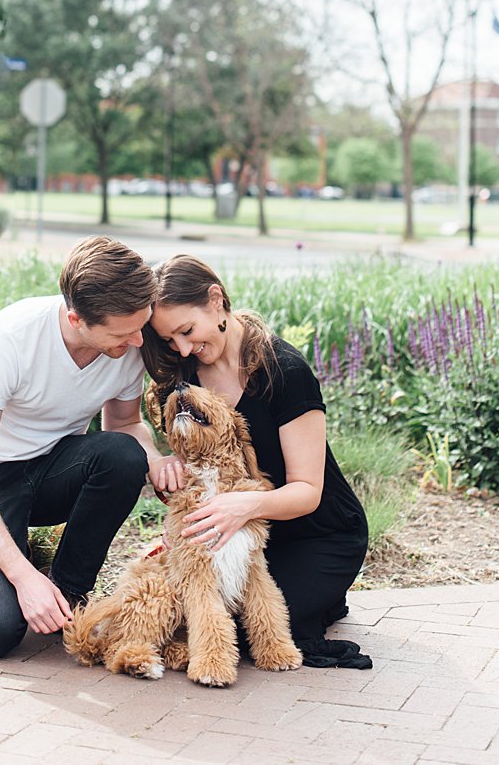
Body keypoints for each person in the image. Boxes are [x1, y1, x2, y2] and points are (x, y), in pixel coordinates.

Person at [0, 236, 185, 659]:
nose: (138, 342)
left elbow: (125, 424)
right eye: (123, 333)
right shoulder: (10, 338)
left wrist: (156, 458)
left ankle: (66, 592)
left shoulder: (127, 341)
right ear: (76, 319)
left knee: (125, 457)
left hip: (56, 468)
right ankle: (20, 573)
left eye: (139, 327)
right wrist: (22, 577)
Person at [141, 255, 373, 670]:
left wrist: (245, 505)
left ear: (216, 300)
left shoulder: (284, 370)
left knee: (259, 630)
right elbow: (198, 464)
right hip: (240, 532)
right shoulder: (185, 374)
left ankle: (324, 593)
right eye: (169, 339)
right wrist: (169, 477)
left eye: (187, 331)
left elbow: (308, 491)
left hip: (316, 529)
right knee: (196, 606)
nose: (182, 348)